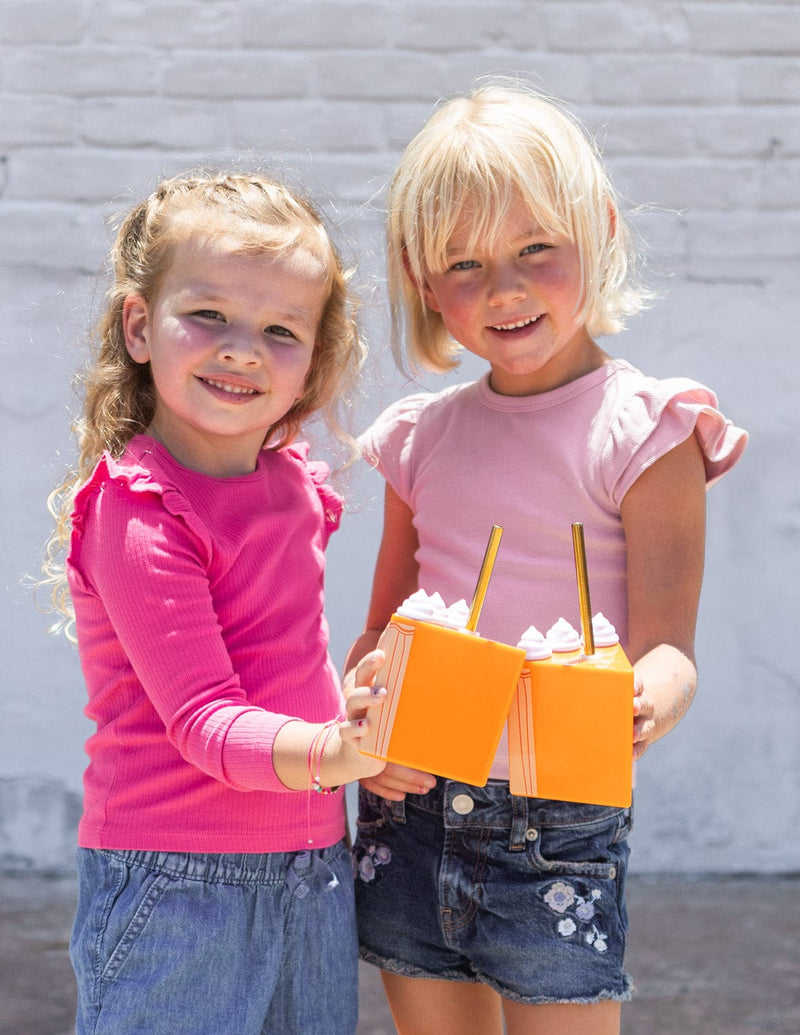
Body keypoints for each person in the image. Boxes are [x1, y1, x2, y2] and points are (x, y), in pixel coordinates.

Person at [346, 80, 748, 1035]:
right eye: (465, 264)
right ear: (421, 277)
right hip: (411, 811)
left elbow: (669, 649)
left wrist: (646, 700)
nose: (505, 290)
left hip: (557, 819)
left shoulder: (649, 433)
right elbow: (381, 625)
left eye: (536, 249)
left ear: (600, 230)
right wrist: (360, 692)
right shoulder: (420, 438)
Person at [41, 171, 387, 1035]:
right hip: (176, 882)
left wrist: (358, 706)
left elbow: (283, 669)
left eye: (279, 330)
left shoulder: (297, 487)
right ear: (138, 326)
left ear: (312, 357)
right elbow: (203, 718)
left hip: (311, 865)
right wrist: (339, 750)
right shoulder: (138, 508)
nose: (242, 349)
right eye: (209, 316)